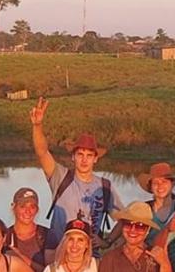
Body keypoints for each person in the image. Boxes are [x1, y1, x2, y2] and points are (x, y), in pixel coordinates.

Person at [27, 96, 123, 250]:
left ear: (95, 159)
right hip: (58, 251)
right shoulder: (60, 176)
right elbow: (42, 152)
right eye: (80, 154)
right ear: (73, 157)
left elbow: (123, 219)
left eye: (89, 155)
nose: (84, 160)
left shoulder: (105, 186)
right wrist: (37, 126)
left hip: (89, 255)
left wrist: (107, 241)